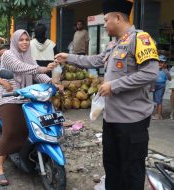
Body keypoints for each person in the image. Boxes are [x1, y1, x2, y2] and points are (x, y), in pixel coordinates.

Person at [55, 0, 159, 189]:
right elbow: (95, 60)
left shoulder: (140, 39)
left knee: (131, 170)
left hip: (132, 121)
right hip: (111, 119)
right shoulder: (114, 45)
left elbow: (150, 73)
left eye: (106, 20)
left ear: (118, 18)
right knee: (112, 167)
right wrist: (68, 57)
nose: (104, 24)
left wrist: (114, 86)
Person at [0, 29, 58, 186]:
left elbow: (37, 75)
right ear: (15, 41)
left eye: (27, 39)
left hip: (27, 97)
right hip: (9, 98)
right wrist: (43, 69)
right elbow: (20, 67)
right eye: (21, 40)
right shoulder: (8, 55)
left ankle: (31, 154)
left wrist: (51, 82)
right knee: (11, 131)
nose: (24, 42)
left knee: (35, 126)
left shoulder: (30, 57)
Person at [152, 55, 171, 120]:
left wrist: (166, 71)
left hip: (161, 86)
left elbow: (169, 78)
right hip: (154, 86)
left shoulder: (165, 70)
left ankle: (159, 115)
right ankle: (157, 113)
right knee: (156, 100)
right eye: (159, 62)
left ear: (164, 64)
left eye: (162, 62)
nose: (160, 63)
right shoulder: (154, 69)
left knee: (159, 101)